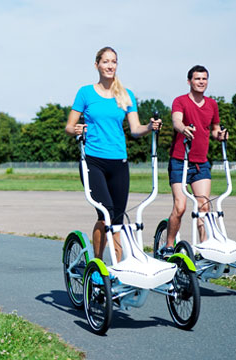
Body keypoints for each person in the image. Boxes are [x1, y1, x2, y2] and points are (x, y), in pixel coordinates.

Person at [65, 46, 162, 262]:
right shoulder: (85, 93)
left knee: (117, 219)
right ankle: (97, 264)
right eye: (106, 61)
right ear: (97, 65)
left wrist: (149, 126)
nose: (110, 65)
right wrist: (77, 129)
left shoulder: (125, 95)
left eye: (114, 62)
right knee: (106, 212)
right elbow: (69, 127)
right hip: (93, 161)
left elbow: (135, 129)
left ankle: (118, 270)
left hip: (119, 162)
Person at [162, 65, 228, 257]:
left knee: (204, 206)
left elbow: (214, 129)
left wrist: (221, 135)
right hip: (180, 162)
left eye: (204, 79)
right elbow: (176, 121)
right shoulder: (180, 101)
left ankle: (205, 248)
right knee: (180, 207)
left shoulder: (212, 105)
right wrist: (183, 129)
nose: (201, 82)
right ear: (190, 81)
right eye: (198, 79)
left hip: (201, 163)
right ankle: (168, 245)